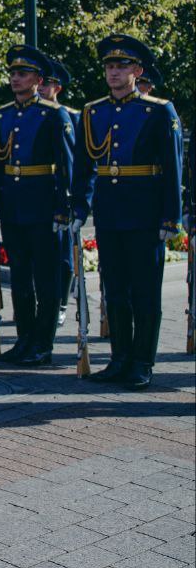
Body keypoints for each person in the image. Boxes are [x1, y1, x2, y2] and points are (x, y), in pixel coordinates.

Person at [70, 34, 182, 390]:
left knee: (144, 291)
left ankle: (142, 362)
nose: (114, 72)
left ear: (138, 71)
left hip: (145, 211)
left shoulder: (158, 110)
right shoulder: (94, 111)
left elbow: (172, 167)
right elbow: (84, 167)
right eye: (109, 66)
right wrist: (78, 207)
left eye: (122, 66)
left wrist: (171, 216)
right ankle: (119, 358)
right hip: (110, 211)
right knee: (115, 290)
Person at [0, 46, 74, 365]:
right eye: (13, 73)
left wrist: (64, 209)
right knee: (20, 277)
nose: (15, 78)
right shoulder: (2, 115)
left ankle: (42, 343)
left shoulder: (53, 114)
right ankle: (24, 339)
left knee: (46, 279)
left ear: (38, 80)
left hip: (44, 206)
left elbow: (66, 166)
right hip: (13, 206)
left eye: (22, 74)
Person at [39, 57, 79, 325]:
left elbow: (73, 161)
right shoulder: (33, 115)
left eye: (48, 84)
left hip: (59, 195)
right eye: (41, 83)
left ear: (58, 88)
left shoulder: (70, 116)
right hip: (39, 196)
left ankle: (62, 301)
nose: (42, 88)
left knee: (64, 255)